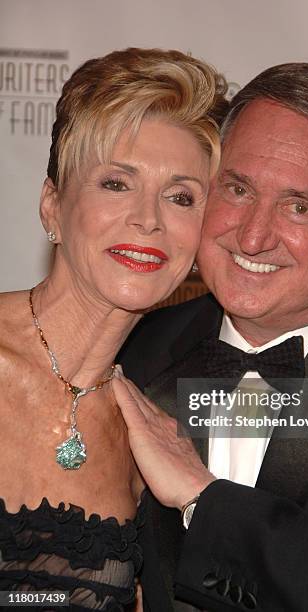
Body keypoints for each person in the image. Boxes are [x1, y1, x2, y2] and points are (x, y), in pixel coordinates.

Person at [116, 63, 308, 611]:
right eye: (238, 189)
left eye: (298, 206)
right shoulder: (132, 351)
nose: (254, 237)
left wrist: (201, 498)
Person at [0, 47, 227, 611]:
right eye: (116, 184)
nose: (149, 218)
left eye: (181, 197)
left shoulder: (157, 428)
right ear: (52, 205)